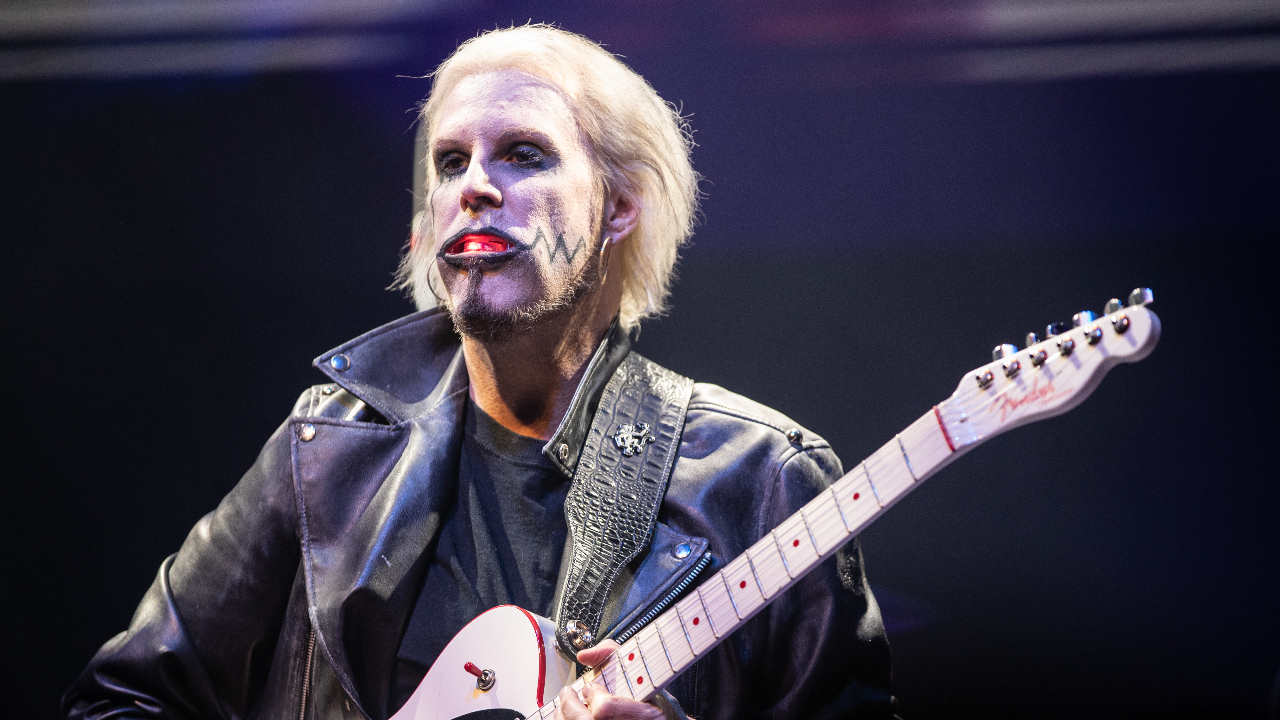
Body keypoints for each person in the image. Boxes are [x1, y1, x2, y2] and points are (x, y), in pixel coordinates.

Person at [65, 25, 897, 720]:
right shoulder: (327, 450)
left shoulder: (762, 482)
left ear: (618, 207)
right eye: (450, 162)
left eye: (524, 155)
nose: (476, 188)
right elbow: (121, 700)